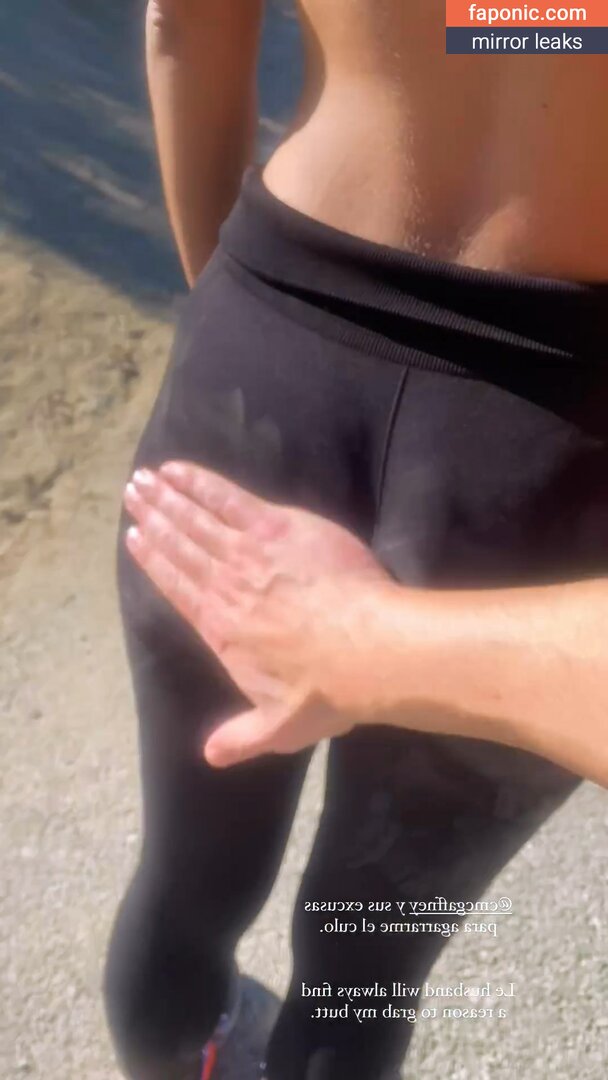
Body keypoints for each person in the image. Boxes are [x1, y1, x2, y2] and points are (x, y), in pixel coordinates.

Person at [104, 2, 608, 1079]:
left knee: (186, 882)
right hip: (552, 454)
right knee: (366, 958)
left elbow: (183, 26)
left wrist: (230, 315)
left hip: (267, 355)